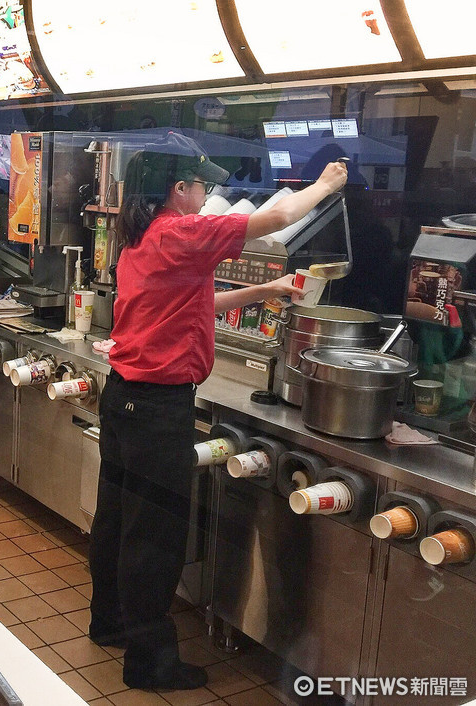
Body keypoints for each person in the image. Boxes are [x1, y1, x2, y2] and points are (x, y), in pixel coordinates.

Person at [87, 132, 347, 691]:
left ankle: (108, 622)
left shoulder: (141, 238)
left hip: (124, 398)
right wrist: (326, 184)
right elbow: (279, 217)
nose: (205, 196)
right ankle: (150, 664)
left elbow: (193, 302)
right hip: (158, 407)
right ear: (178, 189)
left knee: (117, 520)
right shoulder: (182, 231)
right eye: (201, 187)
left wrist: (267, 289)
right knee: (154, 536)